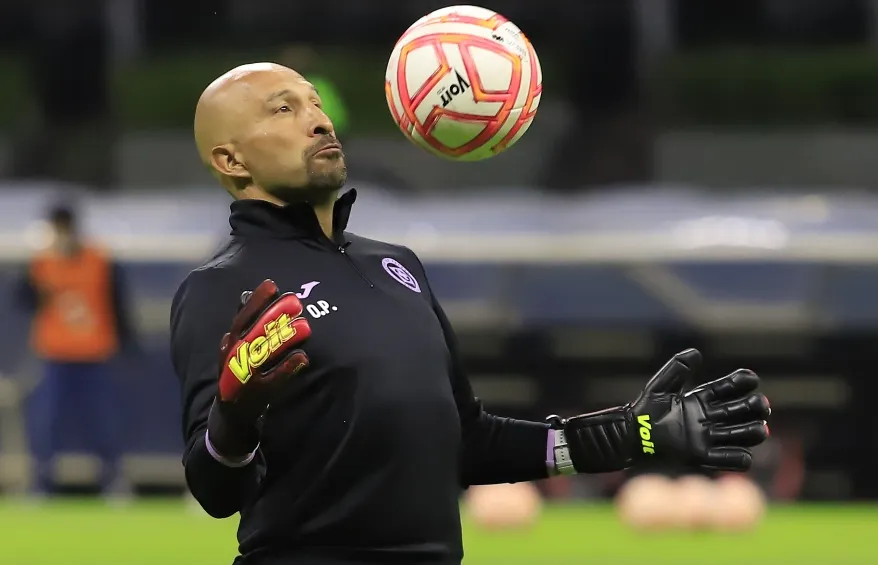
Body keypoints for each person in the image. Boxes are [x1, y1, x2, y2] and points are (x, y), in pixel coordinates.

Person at [172, 63, 771, 565]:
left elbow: (467, 441)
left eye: (315, 104)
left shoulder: (395, 265)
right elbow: (214, 490)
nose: (319, 120)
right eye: (284, 109)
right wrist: (232, 421)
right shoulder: (220, 287)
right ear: (231, 160)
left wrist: (630, 435)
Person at [16, 203, 137, 498]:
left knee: (103, 422)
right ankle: (41, 483)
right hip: (55, 355)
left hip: (95, 353)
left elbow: (118, 304)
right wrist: (34, 283)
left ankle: (112, 481)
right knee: (46, 422)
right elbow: (22, 300)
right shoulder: (42, 263)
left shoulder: (99, 260)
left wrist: (129, 346)